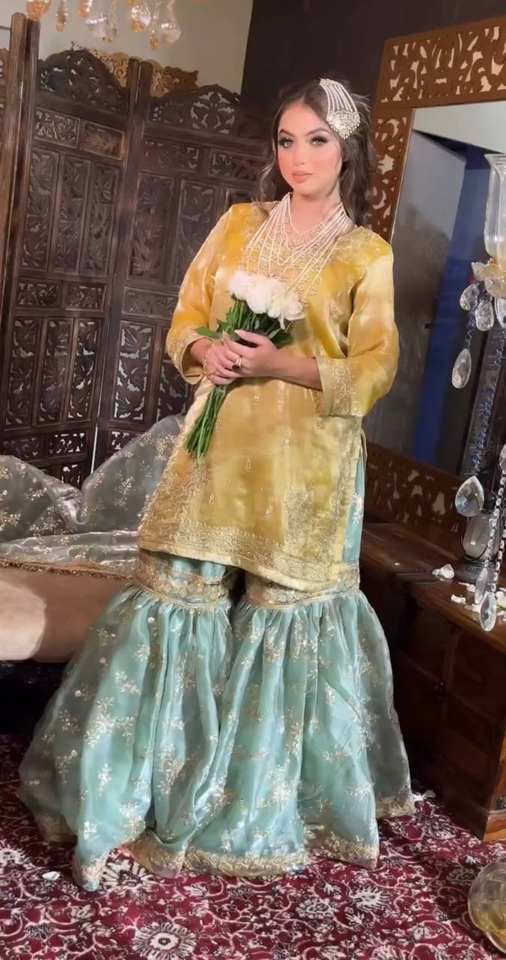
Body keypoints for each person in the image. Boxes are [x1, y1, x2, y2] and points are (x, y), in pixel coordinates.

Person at [19, 77, 414, 891]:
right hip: (217, 447)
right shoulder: (239, 224)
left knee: (282, 621)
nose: (298, 157)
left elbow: (375, 370)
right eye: (286, 140)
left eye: (317, 141)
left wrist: (281, 364)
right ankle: (135, 791)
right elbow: (185, 321)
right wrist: (209, 352)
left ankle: (252, 805)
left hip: (306, 467)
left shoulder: (365, 255)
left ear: (347, 151)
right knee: (174, 601)